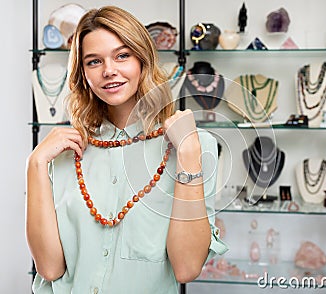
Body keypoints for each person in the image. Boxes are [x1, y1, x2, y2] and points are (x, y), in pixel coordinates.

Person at [26, 6, 227, 293]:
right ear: (83, 73)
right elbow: (49, 268)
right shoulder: (62, 150)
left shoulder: (192, 146)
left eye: (122, 55)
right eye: (94, 61)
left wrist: (189, 155)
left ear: (142, 59)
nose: (109, 71)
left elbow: (186, 267)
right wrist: (35, 164)